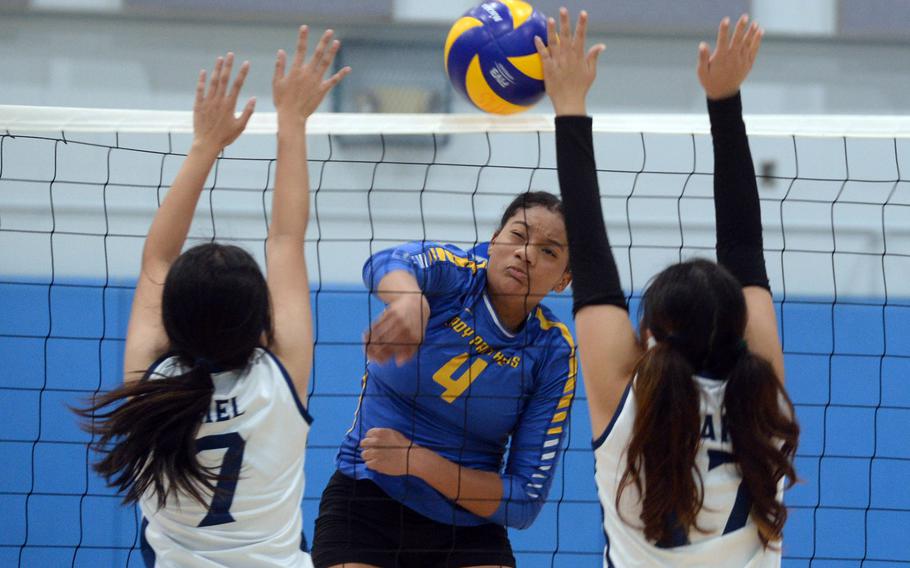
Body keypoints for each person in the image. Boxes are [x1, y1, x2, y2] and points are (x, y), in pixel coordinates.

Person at [76, 26, 350, 567]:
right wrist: (291, 122)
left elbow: (157, 258)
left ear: (170, 320)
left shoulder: (151, 390)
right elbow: (287, 239)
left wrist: (204, 144)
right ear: (261, 324)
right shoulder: (279, 381)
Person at [535, 9, 800, 566]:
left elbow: (589, 244)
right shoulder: (762, 404)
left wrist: (569, 105)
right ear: (739, 329)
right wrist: (724, 101)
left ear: (649, 333)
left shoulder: (628, 402)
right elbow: (745, 251)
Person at [311, 189, 578, 568]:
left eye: (549, 251)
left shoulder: (552, 353)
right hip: (367, 501)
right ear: (494, 241)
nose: (527, 253)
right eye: (518, 236)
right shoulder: (453, 278)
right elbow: (385, 261)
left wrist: (418, 461)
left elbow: (524, 500)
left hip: (467, 528)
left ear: (563, 279)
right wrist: (409, 301)